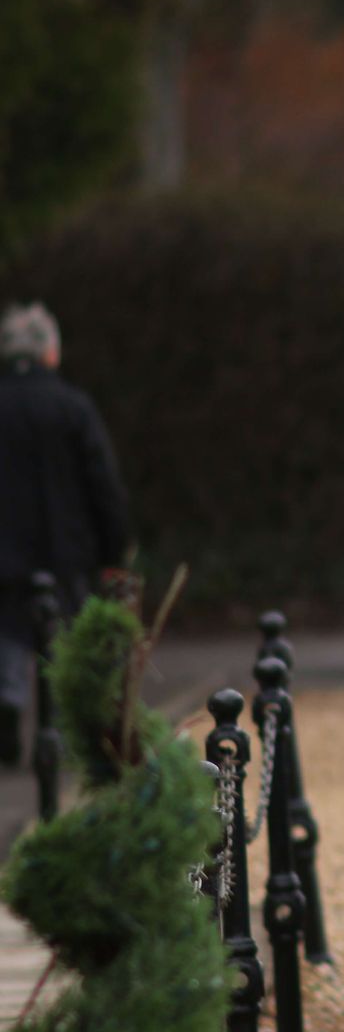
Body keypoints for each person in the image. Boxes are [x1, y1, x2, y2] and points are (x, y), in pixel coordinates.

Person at [0, 303, 131, 766]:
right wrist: (114, 549)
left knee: (8, 637)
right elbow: (102, 483)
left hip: (4, 554)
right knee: (68, 642)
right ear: (50, 352)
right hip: (65, 550)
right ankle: (69, 732)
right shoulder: (72, 407)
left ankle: (9, 706)